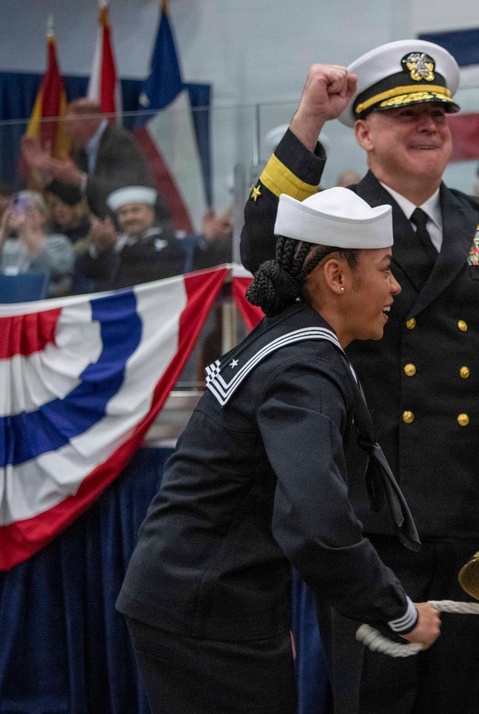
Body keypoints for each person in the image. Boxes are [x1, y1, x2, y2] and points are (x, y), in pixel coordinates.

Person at [239, 41, 479, 714]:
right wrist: (308, 123)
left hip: (471, 511)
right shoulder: (335, 217)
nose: (428, 126)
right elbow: (260, 251)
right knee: (376, 699)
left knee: (469, 697)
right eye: (406, 115)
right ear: (363, 133)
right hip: (371, 516)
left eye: (437, 114)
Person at [117, 186, 441, 713]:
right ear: (337, 276)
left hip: (200, 597)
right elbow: (317, 520)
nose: (395, 288)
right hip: (209, 610)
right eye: (385, 269)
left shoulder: (289, 336)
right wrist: (396, 610)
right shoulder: (305, 368)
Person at [21, 98, 167, 223]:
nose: (66, 131)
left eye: (70, 125)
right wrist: (48, 174)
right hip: (108, 224)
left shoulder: (119, 141)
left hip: (141, 222)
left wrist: (80, 179)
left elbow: (125, 189)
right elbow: (73, 196)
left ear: (88, 121)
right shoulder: (84, 149)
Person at [77, 185, 187, 290]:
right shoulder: (116, 245)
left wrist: (116, 243)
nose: (129, 218)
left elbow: (154, 268)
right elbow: (91, 273)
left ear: (151, 213)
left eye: (135, 210)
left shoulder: (168, 240)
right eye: (123, 213)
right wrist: (99, 248)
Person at [0, 189, 74, 297]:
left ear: (43, 216)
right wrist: (4, 230)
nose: (23, 214)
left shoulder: (58, 242)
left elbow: (54, 269)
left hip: (43, 303)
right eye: (18, 210)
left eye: (29, 210)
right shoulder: (8, 246)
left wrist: (25, 230)